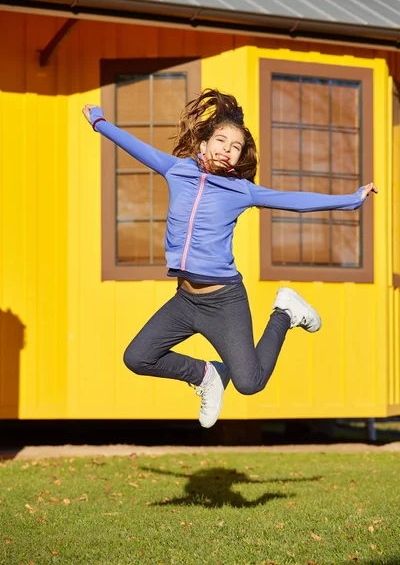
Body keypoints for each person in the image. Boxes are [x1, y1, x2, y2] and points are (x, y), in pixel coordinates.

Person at [82, 89, 377, 429]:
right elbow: (137, 148)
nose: (227, 150)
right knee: (138, 357)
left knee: (250, 382)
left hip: (224, 301)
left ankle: (286, 312)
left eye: (235, 148)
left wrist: (350, 200)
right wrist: (100, 123)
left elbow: (293, 199)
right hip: (185, 301)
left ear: (238, 159)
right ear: (203, 144)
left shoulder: (241, 191)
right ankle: (206, 375)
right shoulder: (177, 170)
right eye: (221, 141)